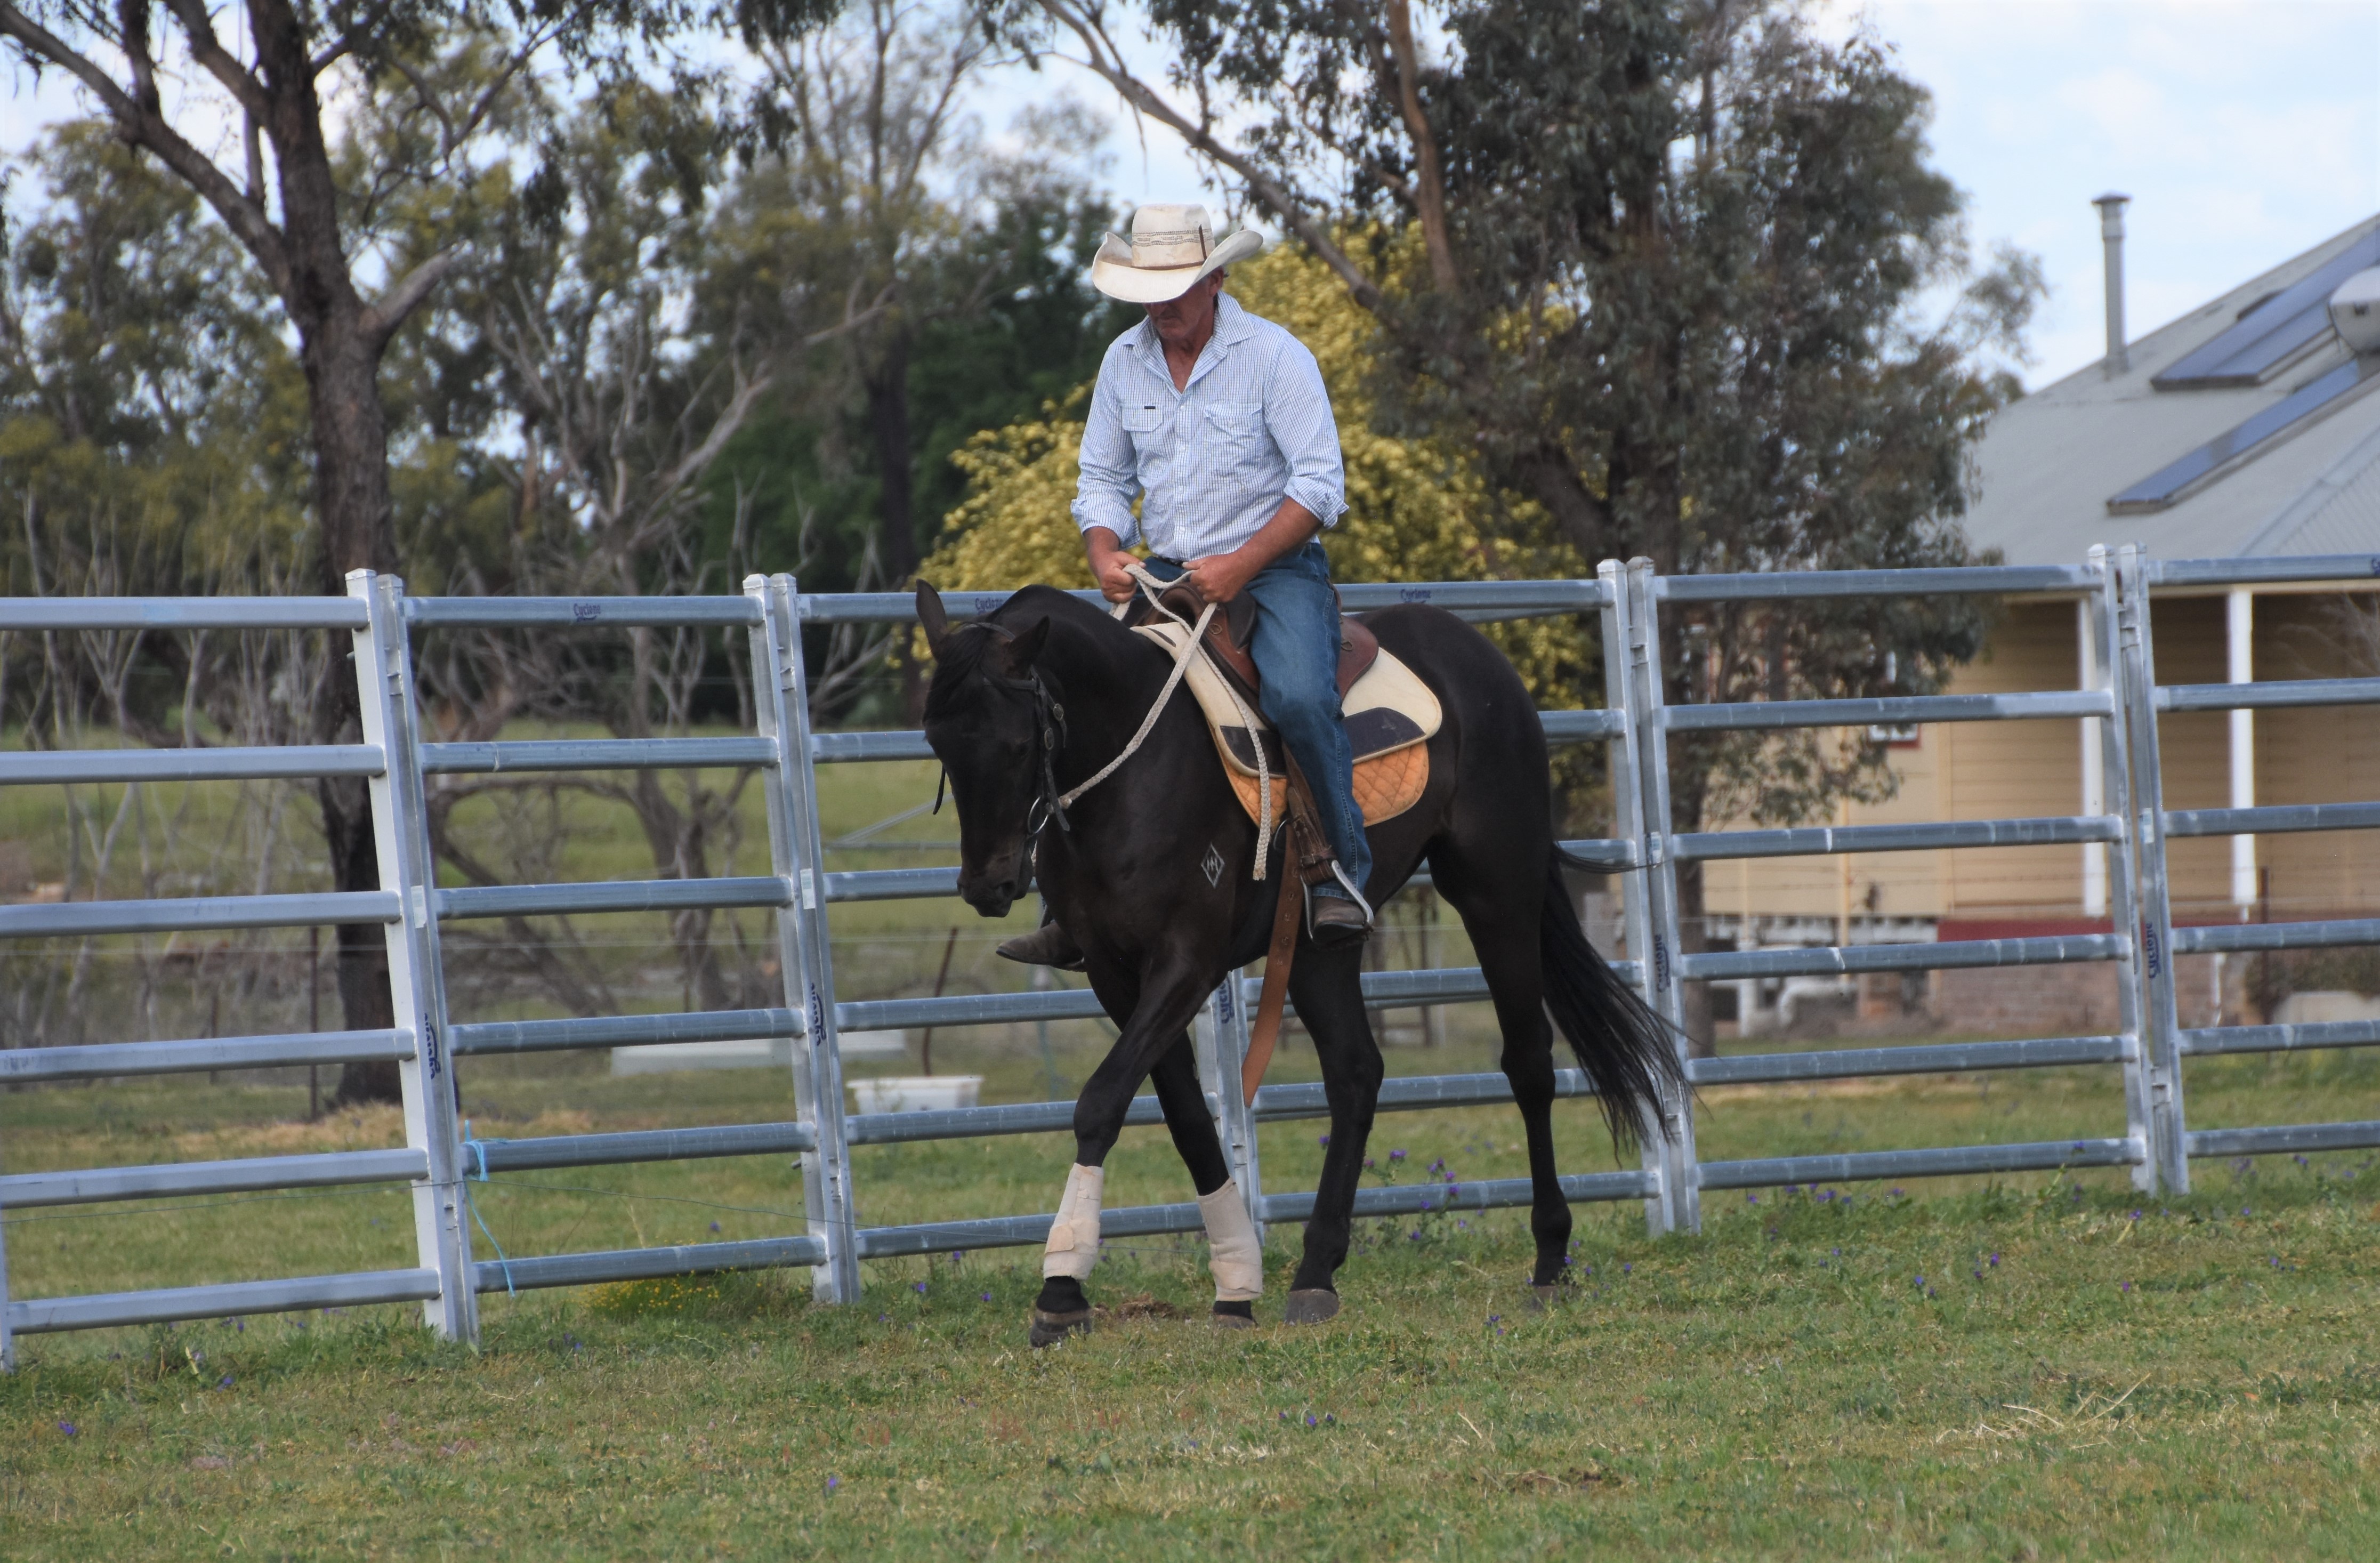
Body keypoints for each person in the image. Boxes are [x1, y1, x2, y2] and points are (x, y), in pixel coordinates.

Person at [997, 202, 1375, 965]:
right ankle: (1068, 903)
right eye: (1149, 291)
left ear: (1216, 280)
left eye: (1176, 288)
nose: (1160, 305)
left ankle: (1335, 871)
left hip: (1274, 573)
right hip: (1164, 573)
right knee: (1079, 698)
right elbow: (1102, 478)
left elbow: (1318, 485)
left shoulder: (1275, 356)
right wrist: (1104, 550)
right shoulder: (1122, 361)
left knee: (1301, 697)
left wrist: (1242, 565)